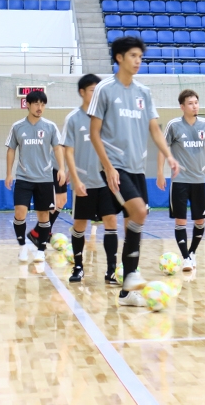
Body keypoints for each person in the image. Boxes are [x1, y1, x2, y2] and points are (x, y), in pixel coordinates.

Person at [88, 36, 179, 306]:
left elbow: (154, 128)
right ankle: (131, 276)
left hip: (137, 168)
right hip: (114, 166)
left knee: (132, 226)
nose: (138, 61)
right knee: (140, 212)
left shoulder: (144, 93)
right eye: (133, 56)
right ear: (119, 58)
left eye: (140, 56)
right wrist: (108, 167)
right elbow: (94, 133)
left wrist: (169, 155)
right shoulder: (105, 89)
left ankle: (127, 291)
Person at [62, 74, 121, 283]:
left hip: (106, 181)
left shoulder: (108, 118)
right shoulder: (73, 119)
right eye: (92, 91)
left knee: (111, 220)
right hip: (84, 182)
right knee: (80, 224)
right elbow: (68, 151)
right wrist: (75, 179)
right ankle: (78, 267)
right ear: (82, 92)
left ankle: (111, 270)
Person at [157, 89, 205, 272]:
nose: (195, 106)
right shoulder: (174, 125)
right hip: (180, 180)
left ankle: (192, 252)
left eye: (196, 102)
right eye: (190, 103)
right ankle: (185, 257)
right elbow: (163, 149)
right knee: (180, 220)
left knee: (200, 220)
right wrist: (160, 173)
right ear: (182, 106)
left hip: (199, 180)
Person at [5, 90, 65, 263]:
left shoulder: (50, 126)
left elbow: (58, 148)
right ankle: (22, 246)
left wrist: (61, 169)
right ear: (28, 105)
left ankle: (41, 250)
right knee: (20, 213)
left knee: (44, 216)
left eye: (43, 104)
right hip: (23, 177)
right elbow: (11, 150)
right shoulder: (17, 127)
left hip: (44, 178)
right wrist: (8, 173)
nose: (40, 107)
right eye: (37, 104)